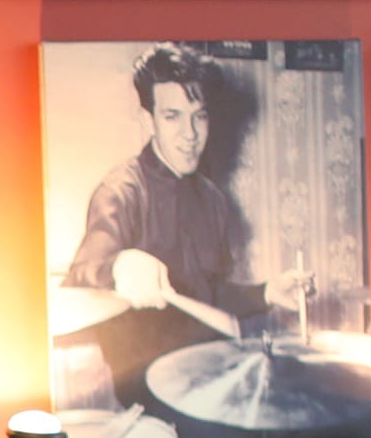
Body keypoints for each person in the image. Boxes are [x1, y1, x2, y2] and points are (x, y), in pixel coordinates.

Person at [60, 45, 310, 412]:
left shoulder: (213, 199)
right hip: (150, 396)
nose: (190, 133)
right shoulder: (121, 190)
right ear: (149, 121)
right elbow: (79, 279)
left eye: (200, 116)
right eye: (173, 116)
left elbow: (209, 295)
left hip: (212, 377)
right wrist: (119, 266)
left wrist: (268, 292)